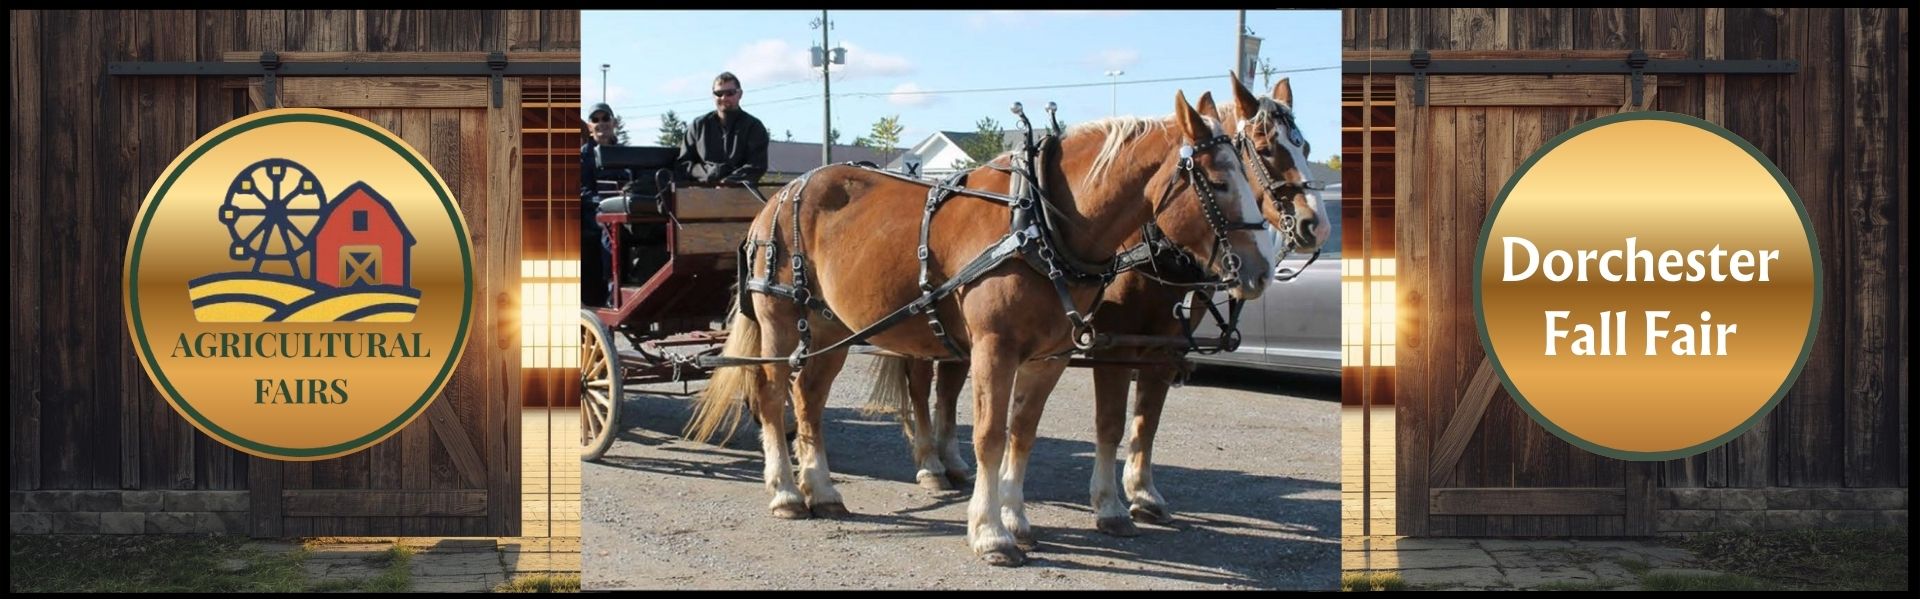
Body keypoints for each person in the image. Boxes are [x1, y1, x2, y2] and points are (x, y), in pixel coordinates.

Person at [675, 72, 770, 184]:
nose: (724, 98)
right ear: (713, 95)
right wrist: (710, 174)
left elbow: (756, 166)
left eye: (730, 93)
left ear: (740, 94)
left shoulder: (753, 127)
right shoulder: (698, 126)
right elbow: (684, 164)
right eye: (719, 93)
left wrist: (728, 182)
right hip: (700, 190)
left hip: (739, 191)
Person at [581, 102, 619, 307]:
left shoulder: (628, 154)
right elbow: (582, 192)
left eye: (605, 118)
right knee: (609, 226)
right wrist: (605, 201)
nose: (601, 123)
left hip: (624, 210)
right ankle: (612, 283)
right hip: (593, 216)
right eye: (595, 120)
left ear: (614, 123)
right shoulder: (581, 157)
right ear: (589, 127)